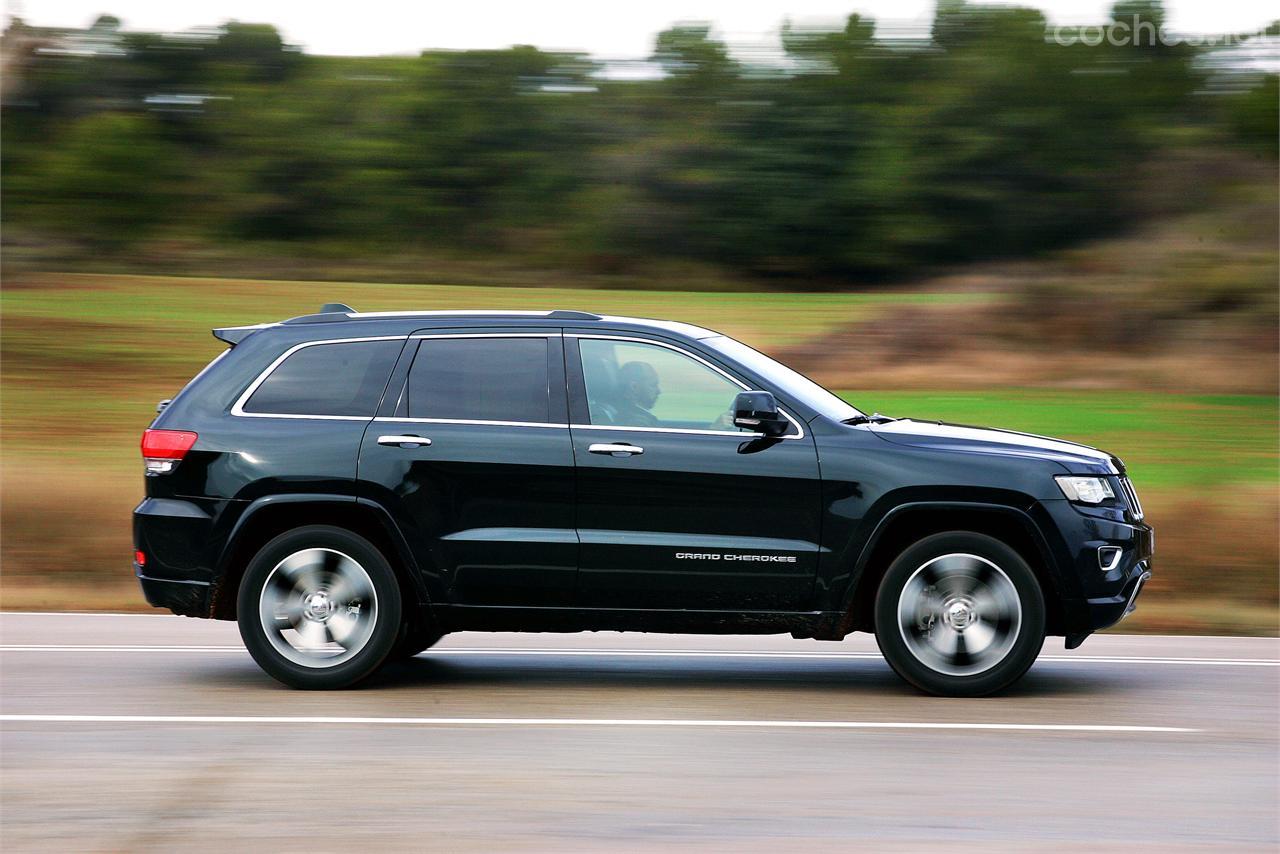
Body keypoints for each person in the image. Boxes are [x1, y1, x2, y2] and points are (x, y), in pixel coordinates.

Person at [614, 361, 661, 427]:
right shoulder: (638, 423)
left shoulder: (626, 413)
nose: (659, 391)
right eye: (653, 385)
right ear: (634, 387)